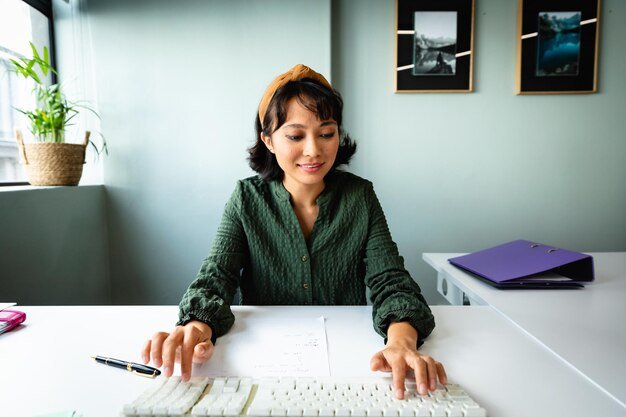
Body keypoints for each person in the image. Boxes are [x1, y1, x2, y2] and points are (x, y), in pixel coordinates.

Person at [142, 64, 447, 400]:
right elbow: (217, 275)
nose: (314, 150)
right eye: (295, 135)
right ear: (268, 140)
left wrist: (401, 343)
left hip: (348, 363)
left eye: (327, 133)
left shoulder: (360, 196)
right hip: (259, 363)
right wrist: (195, 328)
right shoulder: (246, 199)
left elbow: (390, 280)